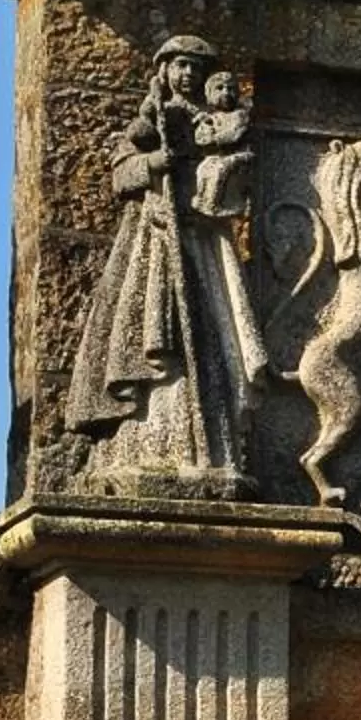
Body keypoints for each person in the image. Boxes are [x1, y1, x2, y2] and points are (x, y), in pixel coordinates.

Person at [64, 34, 270, 487]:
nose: (187, 76)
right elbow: (122, 171)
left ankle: (209, 444)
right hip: (155, 238)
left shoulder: (208, 119)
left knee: (210, 332)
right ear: (164, 70)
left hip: (198, 236)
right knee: (155, 330)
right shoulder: (150, 118)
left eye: (195, 70)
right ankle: (150, 440)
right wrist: (157, 161)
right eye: (180, 67)